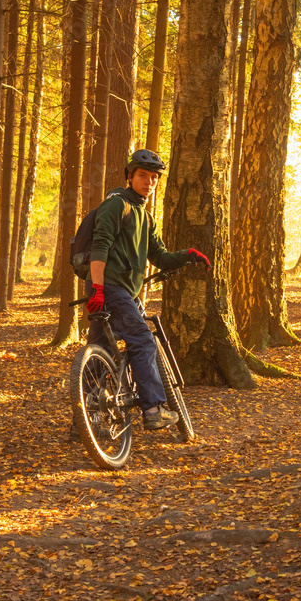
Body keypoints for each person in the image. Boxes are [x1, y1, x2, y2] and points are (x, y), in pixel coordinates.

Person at [85, 149, 210, 430]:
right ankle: (154, 408)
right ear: (130, 176)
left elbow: (160, 257)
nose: (149, 182)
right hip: (109, 288)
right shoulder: (117, 205)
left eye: (154, 178)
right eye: (143, 175)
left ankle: (84, 424)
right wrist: (97, 287)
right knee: (143, 340)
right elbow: (100, 245)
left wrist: (187, 255)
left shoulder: (146, 217)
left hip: (115, 291)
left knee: (98, 353)